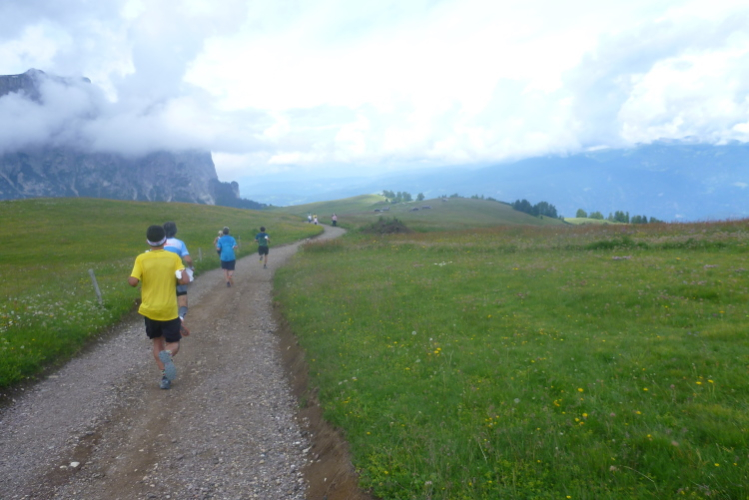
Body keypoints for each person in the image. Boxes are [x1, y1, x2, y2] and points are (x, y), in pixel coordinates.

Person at [128, 225, 190, 390]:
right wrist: (180, 276)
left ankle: (165, 377)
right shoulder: (173, 258)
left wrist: (133, 279)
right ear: (165, 240)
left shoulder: (141, 258)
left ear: (148, 241)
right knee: (173, 343)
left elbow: (133, 282)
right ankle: (167, 355)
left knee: (157, 341)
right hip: (168, 310)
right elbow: (184, 280)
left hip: (149, 310)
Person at [163, 221, 193, 336]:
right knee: (182, 299)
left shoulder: (159, 244)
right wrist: (191, 267)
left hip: (163, 276)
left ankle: (165, 323)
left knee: (165, 300)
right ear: (175, 231)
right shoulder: (179, 243)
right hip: (178, 274)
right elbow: (188, 259)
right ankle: (180, 318)